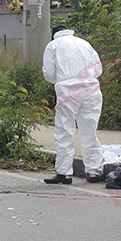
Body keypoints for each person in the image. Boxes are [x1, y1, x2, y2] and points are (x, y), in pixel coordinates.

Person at [42, 25, 104, 184]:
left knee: (65, 130)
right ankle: (94, 172)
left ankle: (64, 173)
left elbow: (49, 73)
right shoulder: (84, 43)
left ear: (54, 34)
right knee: (89, 131)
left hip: (68, 91)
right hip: (91, 89)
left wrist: (65, 80)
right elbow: (98, 69)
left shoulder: (53, 45)